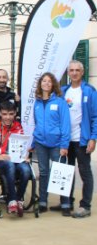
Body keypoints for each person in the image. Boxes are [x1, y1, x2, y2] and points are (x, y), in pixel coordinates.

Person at [57, 60, 96, 218]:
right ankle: (67, 202)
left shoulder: (89, 91)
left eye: (77, 70)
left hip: (82, 140)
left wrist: (93, 138)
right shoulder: (63, 90)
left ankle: (85, 206)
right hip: (66, 140)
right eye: (71, 70)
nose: (74, 73)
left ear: (82, 72)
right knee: (67, 172)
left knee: (85, 172)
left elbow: (95, 117)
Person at [0, 101, 30, 217]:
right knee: (9, 165)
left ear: (15, 114)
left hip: (16, 159)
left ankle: (18, 200)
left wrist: (25, 155)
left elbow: (22, 145)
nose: (8, 117)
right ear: (0, 114)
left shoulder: (18, 127)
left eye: (11, 114)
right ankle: (11, 200)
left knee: (26, 170)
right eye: (5, 114)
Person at [30, 72, 71, 215]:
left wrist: (64, 145)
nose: (46, 83)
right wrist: (33, 143)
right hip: (41, 143)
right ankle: (42, 202)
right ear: (40, 84)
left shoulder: (60, 102)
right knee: (43, 173)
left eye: (49, 81)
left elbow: (66, 125)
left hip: (57, 144)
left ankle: (65, 204)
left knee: (61, 173)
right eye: (44, 81)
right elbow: (37, 124)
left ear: (53, 84)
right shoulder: (37, 102)